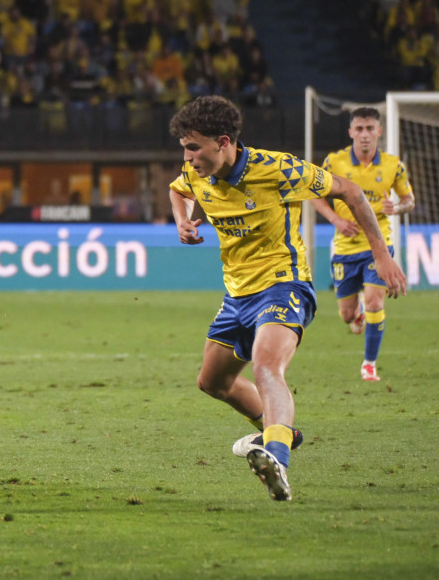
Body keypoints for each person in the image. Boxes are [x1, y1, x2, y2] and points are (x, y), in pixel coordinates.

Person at [168, 96, 406, 501]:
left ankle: (275, 455)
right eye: (185, 148)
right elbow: (178, 190)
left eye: (194, 148)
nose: (188, 157)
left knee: (266, 364)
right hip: (237, 293)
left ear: (223, 142)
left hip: (285, 284)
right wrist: (182, 222)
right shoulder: (196, 174)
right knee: (212, 382)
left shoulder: (278, 168)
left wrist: (381, 253)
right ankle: (282, 432)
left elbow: (348, 190)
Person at [311, 107, 414, 382]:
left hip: (379, 246)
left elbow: (409, 200)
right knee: (346, 315)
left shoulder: (394, 164)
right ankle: (355, 317)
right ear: (351, 133)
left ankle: (369, 363)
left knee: (373, 301)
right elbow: (313, 195)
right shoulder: (334, 162)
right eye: (359, 129)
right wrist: (335, 219)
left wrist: (399, 207)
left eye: (370, 129)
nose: (365, 135)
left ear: (379, 131)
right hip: (345, 247)